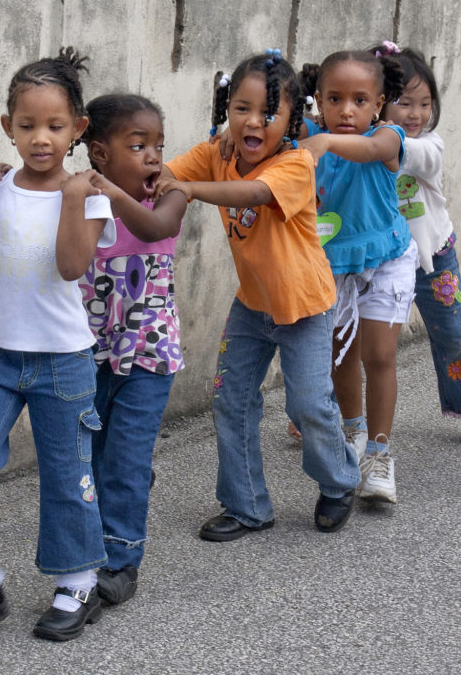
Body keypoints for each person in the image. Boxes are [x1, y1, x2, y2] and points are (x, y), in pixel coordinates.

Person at [0, 48, 116, 646]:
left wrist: (67, 197)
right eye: (28, 125)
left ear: (78, 130)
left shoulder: (88, 194)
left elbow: (70, 267)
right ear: (7, 126)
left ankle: (77, 581)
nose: (41, 139)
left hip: (63, 361)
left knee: (67, 475)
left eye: (56, 127)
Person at [158, 50, 361, 540]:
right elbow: (168, 173)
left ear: (292, 121)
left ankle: (339, 481)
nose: (252, 121)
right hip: (252, 304)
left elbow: (253, 195)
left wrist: (190, 190)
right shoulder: (218, 153)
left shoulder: (295, 165)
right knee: (231, 399)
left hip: (305, 306)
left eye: (268, 113)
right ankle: (246, 505)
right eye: (240, 109)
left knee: (309, 404)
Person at [75, 94, 188, 605]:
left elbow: (153, 229)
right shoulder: (78, 203)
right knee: (95, 455)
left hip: (149, 352)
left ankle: (121, 560)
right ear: (98, 152)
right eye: (137, 145)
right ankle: (93, 541)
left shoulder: (169, 198)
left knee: (122, 458)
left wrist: (109, 195)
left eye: (158, 145)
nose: (153, 157)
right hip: (88, 353)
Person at [295, 48, 417, 504]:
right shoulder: (308, 133)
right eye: (335, 99)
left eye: (360, 100)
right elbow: (269, 133)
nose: (347, 111)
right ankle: (352, 433)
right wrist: (227, 134)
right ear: (318, 101)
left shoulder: (389, 136)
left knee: (380, 355)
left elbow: (368, 149)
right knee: (338, 354)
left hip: (387, 258)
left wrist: (323, 142)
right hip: (336, 265)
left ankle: (381, 455)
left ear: (380, 103)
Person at [371, 41, 461, 449]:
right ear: (380, 102)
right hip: (377, 257)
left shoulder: (429, 145)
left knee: (453, 332)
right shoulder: (359, 140)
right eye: (405, 103)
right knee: (347, 338)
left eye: (425, 104)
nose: (416, 114)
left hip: (433, 257)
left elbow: (398, 153)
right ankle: (321, 414)